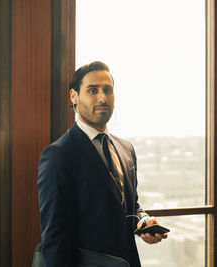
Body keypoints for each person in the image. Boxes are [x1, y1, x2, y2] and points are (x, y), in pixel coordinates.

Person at [37, 61, 167, 267]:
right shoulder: (58, 155)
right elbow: (55, 237)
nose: (102, 97)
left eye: (108, 90)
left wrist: (142, 221)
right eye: (93, 90)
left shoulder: (126, 150)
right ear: (74, 96)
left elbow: (129, 206)